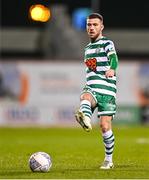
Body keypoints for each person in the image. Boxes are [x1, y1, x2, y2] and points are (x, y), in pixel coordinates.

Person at [75, 13, 118, 169]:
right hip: (92, 86)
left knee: (105, 127)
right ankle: (85, 117)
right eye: (89, 25)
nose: (91, 27)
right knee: (85, 96)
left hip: (107, 90)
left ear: (101, 27)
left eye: (94, 25)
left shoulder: (107, 43)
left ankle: (108, 159)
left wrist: (112, 68)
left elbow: (114, 58)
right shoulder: (87, 48)